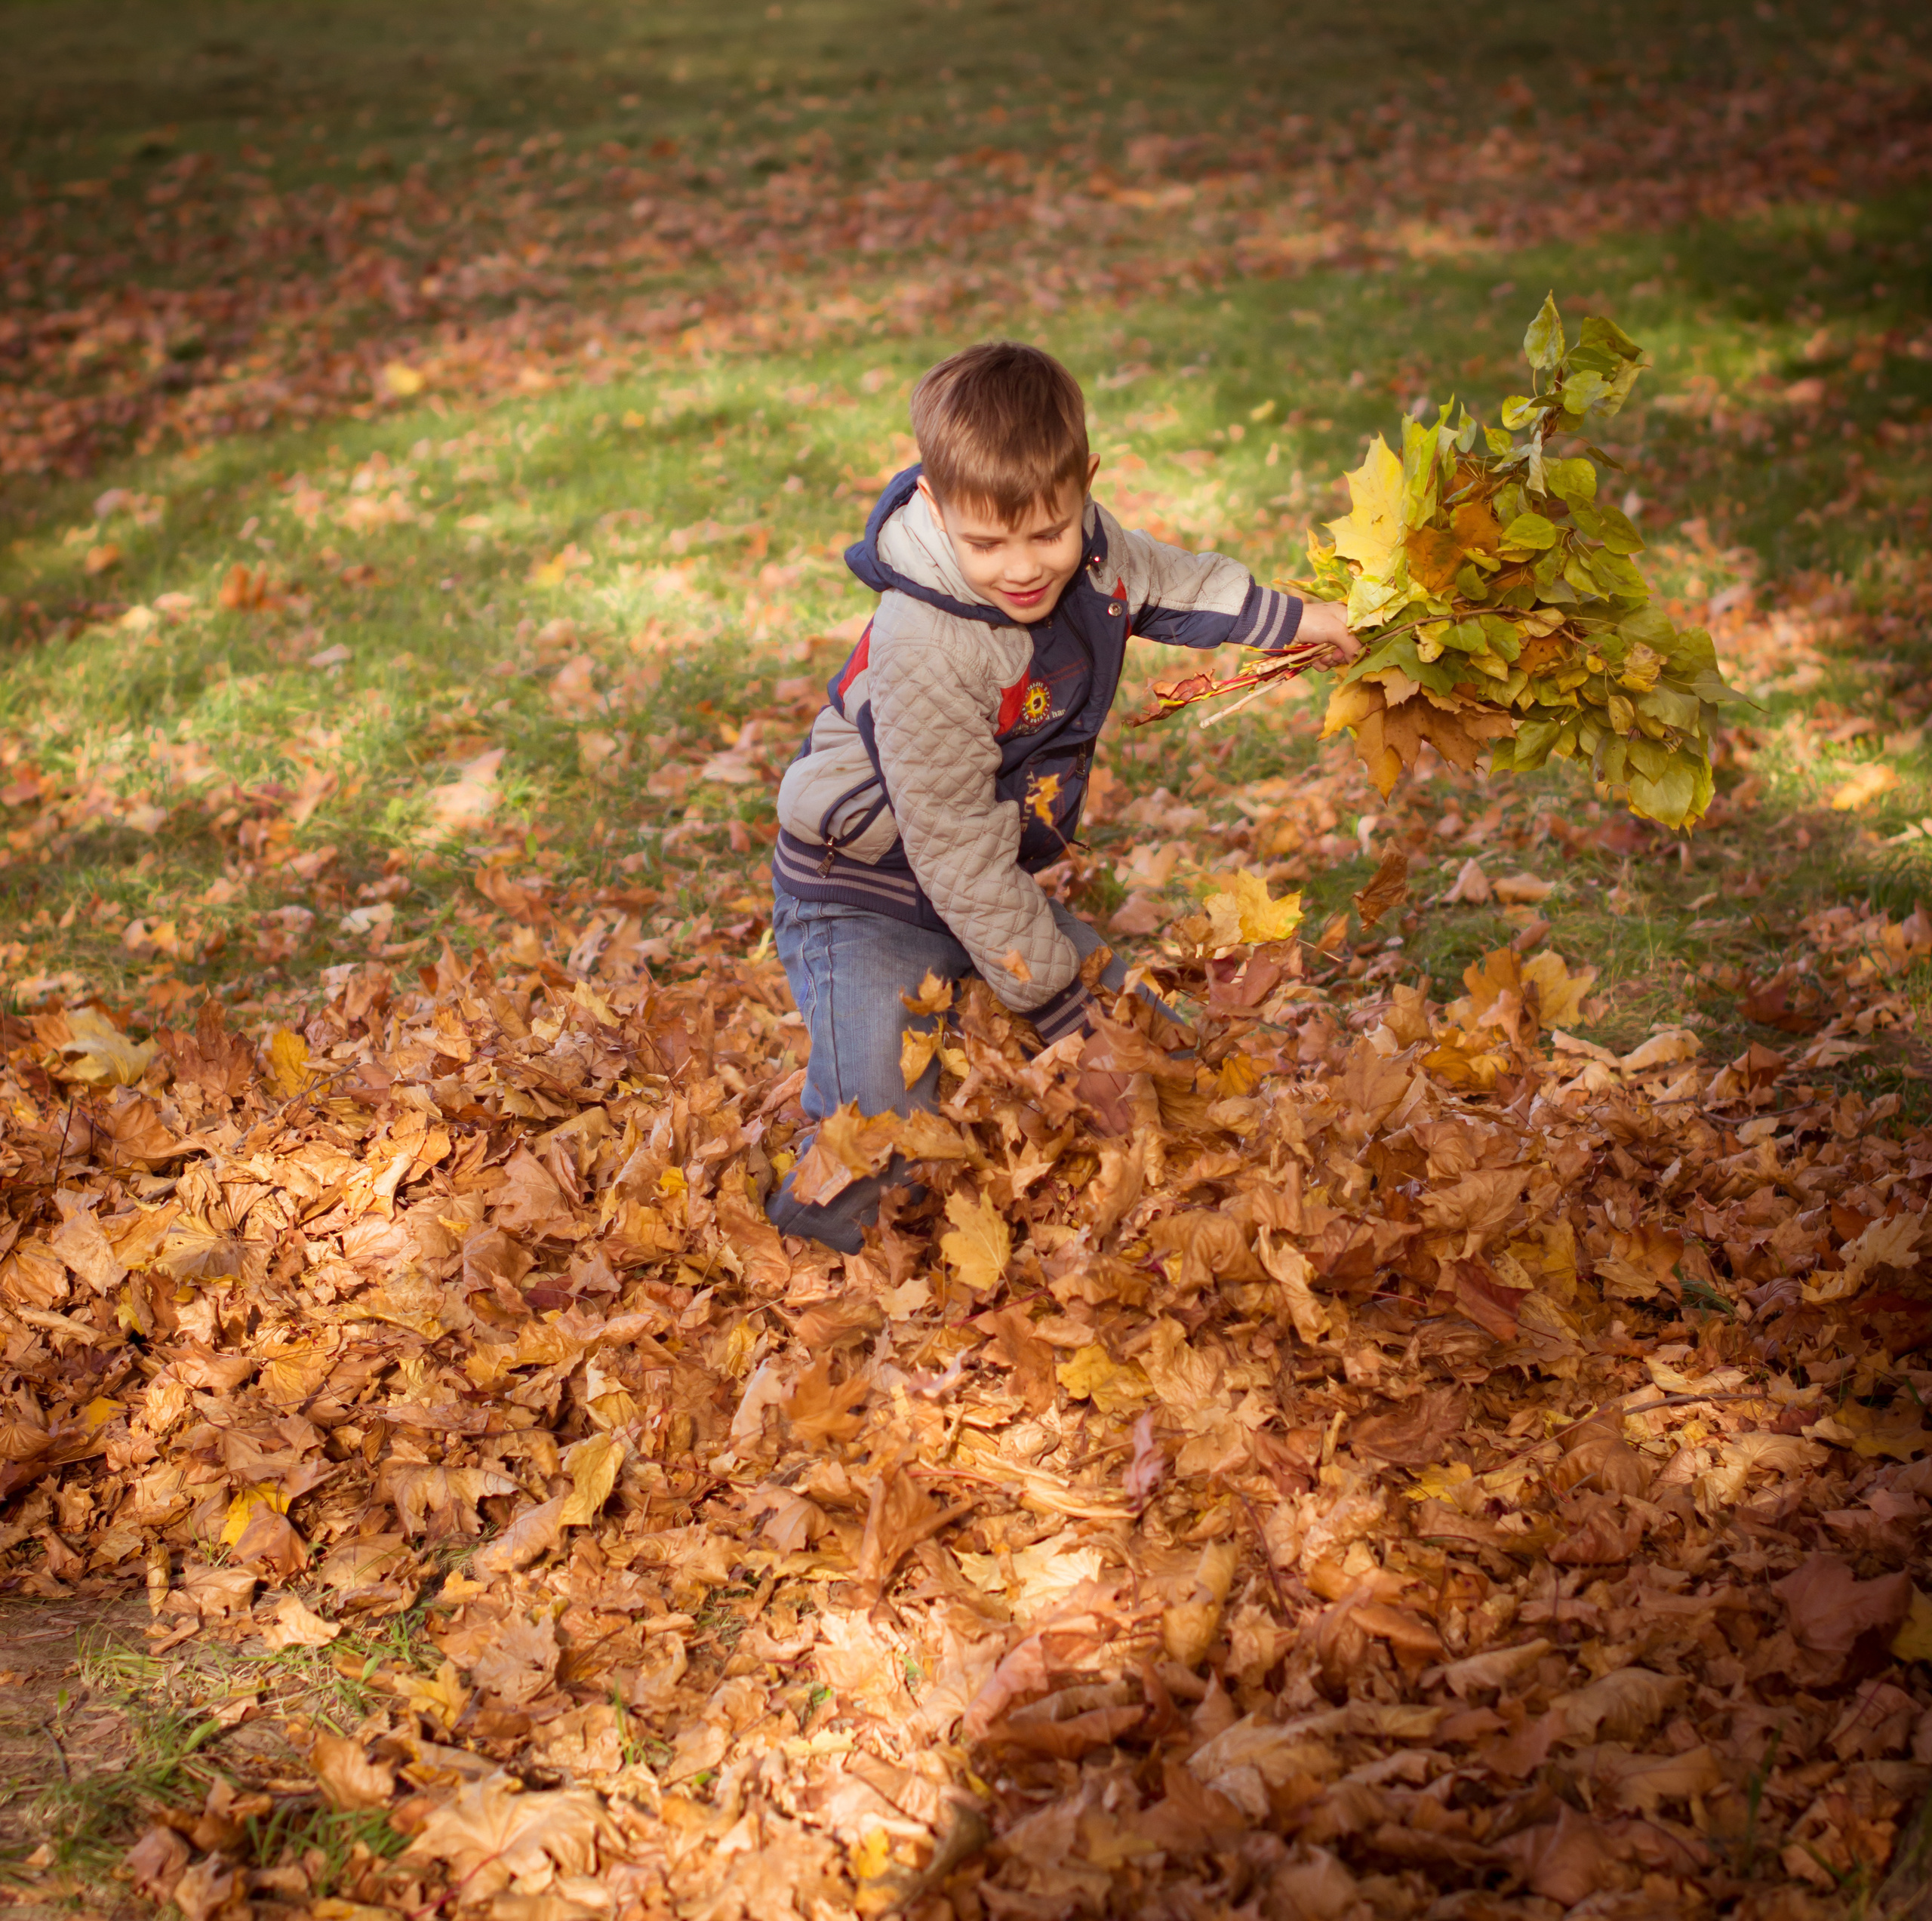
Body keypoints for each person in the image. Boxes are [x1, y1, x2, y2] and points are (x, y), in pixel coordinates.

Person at [764, 340, 1355, 1251]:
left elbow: (1172, 581)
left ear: (1084, 485)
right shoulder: (925, 640)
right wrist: (1060, 1016)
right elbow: (955, 856)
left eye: (1048, 531)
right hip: (862, 891)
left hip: (974, 872)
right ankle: (805, 1267)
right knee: (876, 1138)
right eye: (986, 543)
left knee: (1151, 1050)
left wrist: (1312, 622)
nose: (1022, 567)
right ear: (933, 505)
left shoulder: (1089, 544)